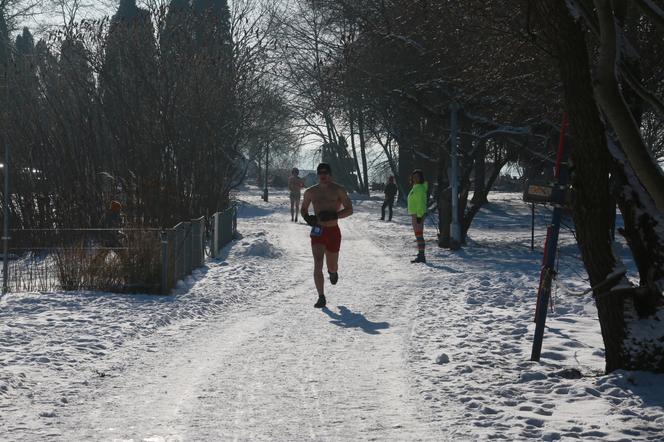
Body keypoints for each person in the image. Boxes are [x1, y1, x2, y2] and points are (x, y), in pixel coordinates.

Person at [301, 163, 353, 308]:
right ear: (317, 175)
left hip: (333, 232)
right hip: (318, 231)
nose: (323, 175)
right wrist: (307, 218)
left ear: (330, 175)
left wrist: (334, 214)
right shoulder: (311, 192)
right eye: (320, 173)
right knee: (318, 264)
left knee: (332, 264)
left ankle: (333, 272)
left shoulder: (338, 190)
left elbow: (350, 210)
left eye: (326, 173)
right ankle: (321, 297)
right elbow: (303, 208)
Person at [407, 169, 428, 263]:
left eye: (417, 177)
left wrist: (419, 216)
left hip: (417, 214)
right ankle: (420, 254)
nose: (415, 178)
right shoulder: (415, 187)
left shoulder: (419, 188)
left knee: (419, 235)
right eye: (414, 177)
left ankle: (422, 256)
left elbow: (421, 203)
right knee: (418, 235)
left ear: (421, 178)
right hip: (415, 214)